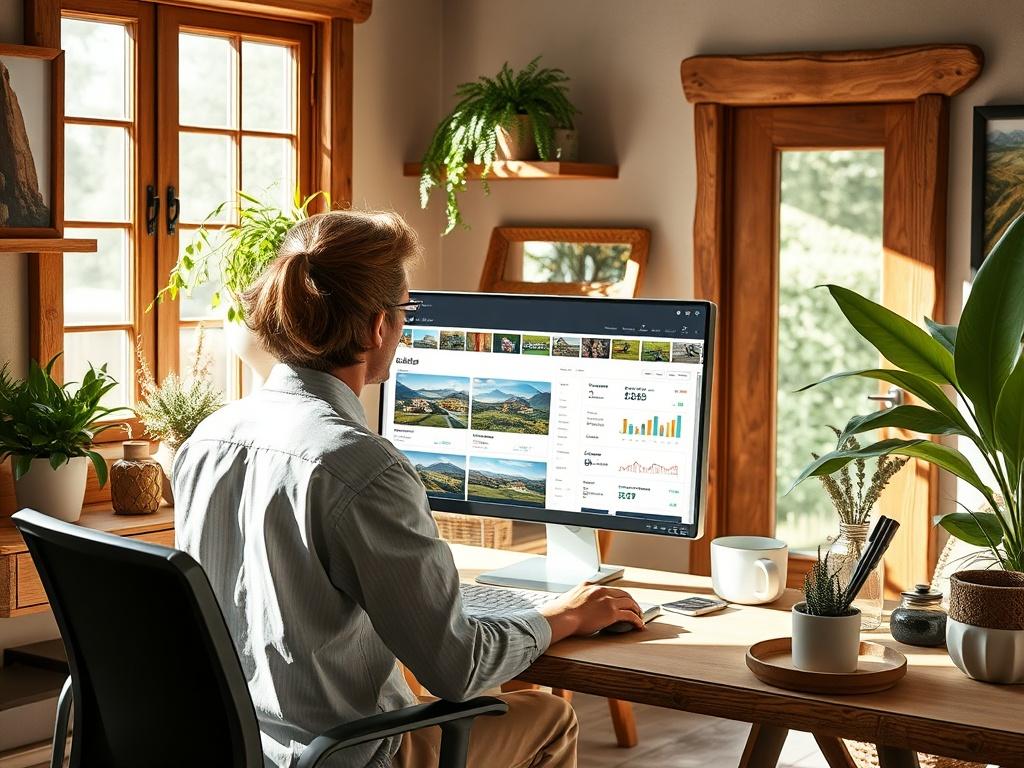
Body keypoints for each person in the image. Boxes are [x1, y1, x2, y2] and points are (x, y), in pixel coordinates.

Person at [173, 209, 645, 768]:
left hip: (233, 752)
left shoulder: (209, 439)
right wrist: (566, 615)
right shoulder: (361, 466)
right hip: (343, 759)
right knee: (551, 718)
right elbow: (457, 668)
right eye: (405, 313)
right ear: (378, 327)